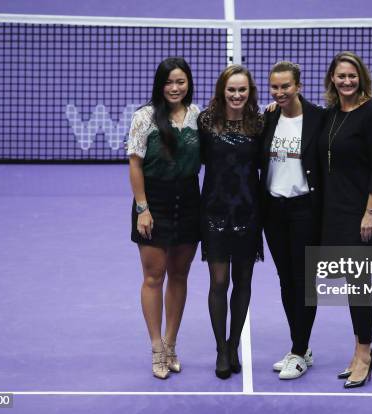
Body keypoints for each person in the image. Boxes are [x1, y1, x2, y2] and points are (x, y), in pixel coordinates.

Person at [126, 57, 201, 380]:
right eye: (169, 82)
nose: (174, 88)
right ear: (160, 85)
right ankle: (156, 347)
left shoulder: (199, 116)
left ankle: (171, 344)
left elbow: (235, 116)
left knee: (180, 276)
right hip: (153, 202)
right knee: (154, 277)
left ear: (188, 84)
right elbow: (135, 163)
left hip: (188, 202)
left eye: (180, 82)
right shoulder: (144, 117)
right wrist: (143, 208)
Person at [319, 51, 372, 388]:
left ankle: (364, 354)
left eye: (352, 76)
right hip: (337, 209)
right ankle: (359, 349)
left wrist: (371, 212)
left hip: (364, 211)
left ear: (361, 78)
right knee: (350, 279)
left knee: (360, 282)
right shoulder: (332, 114)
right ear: (332, 78)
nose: (347, 81)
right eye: (341, 76)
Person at [198, 65, 264, 379]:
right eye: (231, 90)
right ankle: (221, 350)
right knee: (219, 282)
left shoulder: (260, 124)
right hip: (214, 214)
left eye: (242, 90)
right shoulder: (206, 122)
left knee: (243, 282)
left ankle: (234, 343)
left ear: (249, 92)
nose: (236, 95)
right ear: (222, 91)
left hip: (249, 214)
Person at [261, 61, 326, 380]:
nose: (280, 92)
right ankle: (300, 345)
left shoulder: (318, 118)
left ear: (298, 86)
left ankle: (299, 352)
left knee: (304, 282)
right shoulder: (268, 116)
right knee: (286, 279)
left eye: (286, 86)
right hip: (273, 211)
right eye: (275, 87)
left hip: (304, 210)